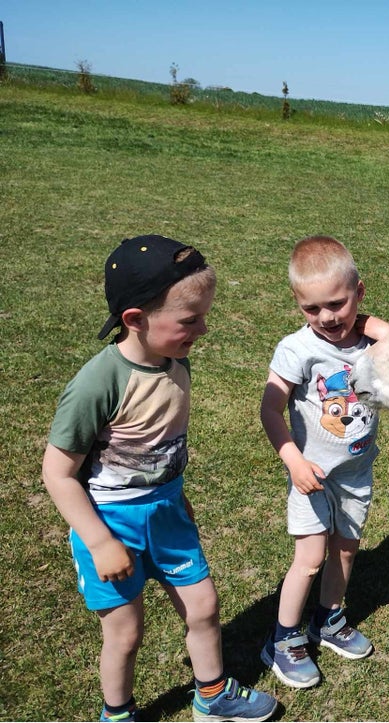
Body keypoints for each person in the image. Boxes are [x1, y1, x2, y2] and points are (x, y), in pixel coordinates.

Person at [41, 235, 278, 723]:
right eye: (190, 321)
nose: (204, 329)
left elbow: (160, 447)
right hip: (111, 523)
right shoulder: (97, 383)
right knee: (125, 634)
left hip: (168, 513)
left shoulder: (176, 361)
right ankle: (118, 714)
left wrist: (178, 496)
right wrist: (100, 541)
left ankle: (212, 696)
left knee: (204, 607)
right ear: (135, 320)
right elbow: (58, 472)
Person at [259, 235, 389, 688]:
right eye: (311, 309)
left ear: (360, 292)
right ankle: (282, 640)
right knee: (311, 558)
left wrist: (383, 330)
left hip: (355, 472)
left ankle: (328, 621)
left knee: (347, 549)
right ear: (299, 306)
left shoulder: (371, 343)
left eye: (337, 303)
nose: (327, 317)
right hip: (310, 476)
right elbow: (269, 409)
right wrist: (293, 460)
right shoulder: (298, 350)